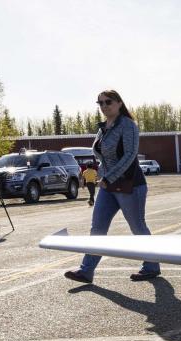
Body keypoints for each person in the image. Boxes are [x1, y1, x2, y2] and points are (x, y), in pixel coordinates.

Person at [64, 90, 160, 283]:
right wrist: (95, 176)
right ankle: (86, 271)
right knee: (97, 228)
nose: (104, 106)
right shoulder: (103, 128)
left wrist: (109, 178)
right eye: (100, 103)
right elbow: (103, 158)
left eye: (108, 102)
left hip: (130, 184)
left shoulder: (128, 125)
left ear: (118, 103)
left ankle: (151, 266)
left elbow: (130, 155)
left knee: (137, 226)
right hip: (107, 186)